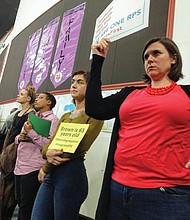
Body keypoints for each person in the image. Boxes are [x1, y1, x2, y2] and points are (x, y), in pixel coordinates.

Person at [85, 37, 190, 220]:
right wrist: (98, 60)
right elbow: (95, 108)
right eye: (146, 56)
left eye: (156, 53)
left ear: (173, 58)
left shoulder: (187, 94)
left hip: (168, 194)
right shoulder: (130, 94)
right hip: (118, 189)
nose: (149, 59)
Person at [31, 70, 104, 220]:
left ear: (90, 87)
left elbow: (78, 147)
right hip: (52, 173)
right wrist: (47, 154)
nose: (74, 85)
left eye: (80, 82)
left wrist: (46, 166)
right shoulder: (64, 116)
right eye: (72, 82)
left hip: (70, 174)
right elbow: (50, 143)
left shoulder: (95, 115)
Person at [14, 92, 59, 220]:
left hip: (34, 166)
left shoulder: (53, 120)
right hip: (20, 164)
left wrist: (31, 133)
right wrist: (20, 137)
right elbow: (17, 138)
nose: (37, 99)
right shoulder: (32, 117)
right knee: (20, 202)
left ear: (49, 102)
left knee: (27, 206)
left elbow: (49, 145)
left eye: (40, 98)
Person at [0, 85, 36, 220]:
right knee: (5, 185)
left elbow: (26, 135)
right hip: (9, 149)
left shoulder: (31, 114)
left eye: (22, 94)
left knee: (14, 191)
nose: (18, 95)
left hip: (19, 154)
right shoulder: (18, 113)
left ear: (28, 98)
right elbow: (11, 132)